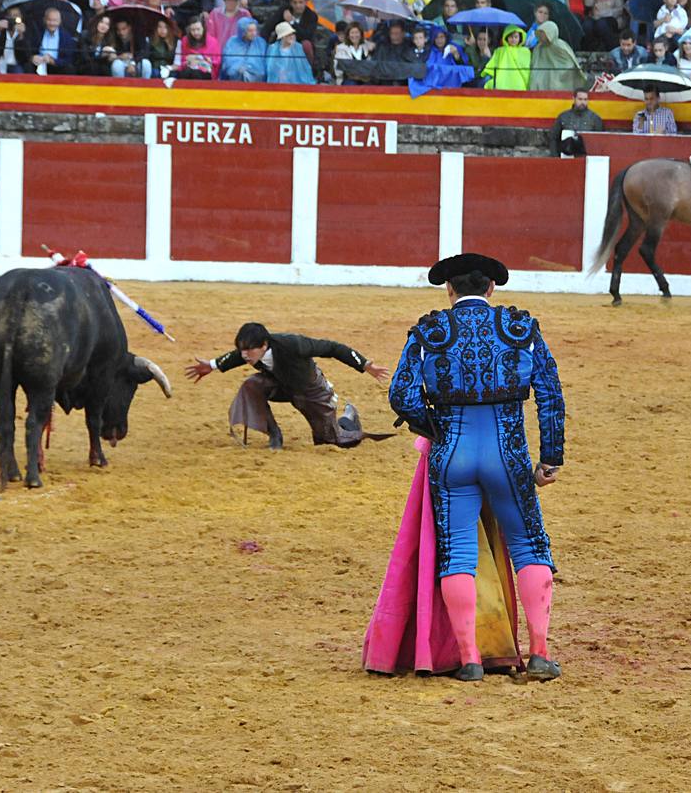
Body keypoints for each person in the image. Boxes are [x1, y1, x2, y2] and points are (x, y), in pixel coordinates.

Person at [387, 253, 565, 683]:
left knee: (458, 553)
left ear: (449, 291)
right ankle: (539, 654)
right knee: (529, 546)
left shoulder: (430, 330)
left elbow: (401, 395)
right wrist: (550, 458)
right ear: (491, 289)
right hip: (508, 454)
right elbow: (550, 395)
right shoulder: (520, 328)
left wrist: (439, 428)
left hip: (453, 457)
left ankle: (469, 659)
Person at [187, 322, 392, 451]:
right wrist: (213, 365)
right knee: (252, 384)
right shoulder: (249, 353)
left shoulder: (293, 344)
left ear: (264, 346)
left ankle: (349, 418)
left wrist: (364, 364)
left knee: (333, 440)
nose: (244, 356)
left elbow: (332, 348)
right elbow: (236, 357)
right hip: (282, 386)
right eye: (242, 351)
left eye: (249, 351)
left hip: (311, 391)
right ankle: (275, 435)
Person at [529, 20, 584, 91]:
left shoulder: (560, 46)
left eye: (543, 33)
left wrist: (556, 73)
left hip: (560, 80)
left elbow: (568, 64)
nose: (541, 35)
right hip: (542, 77)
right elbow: (535, 64)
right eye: (540, 32)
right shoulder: (538, 48)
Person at [549, 88, 603, 156]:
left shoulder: (595, 118)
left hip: (586, 157)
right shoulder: (563, 117)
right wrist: (555, 157)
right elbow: (553, 138)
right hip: (566, 156)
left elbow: (600, 142)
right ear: (574, 99)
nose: (583, 102)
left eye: (585, 99)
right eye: (580, 99)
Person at [481, 24, 529, 89]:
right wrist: (489, 56)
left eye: (516, 37)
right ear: (506, 37)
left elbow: (526, 69)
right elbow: (494, 64)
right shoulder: (500, 50)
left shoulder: (525, 51)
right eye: (511, 37)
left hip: (519, 81)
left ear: (520, 37)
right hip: (502, 79)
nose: (513, 39)